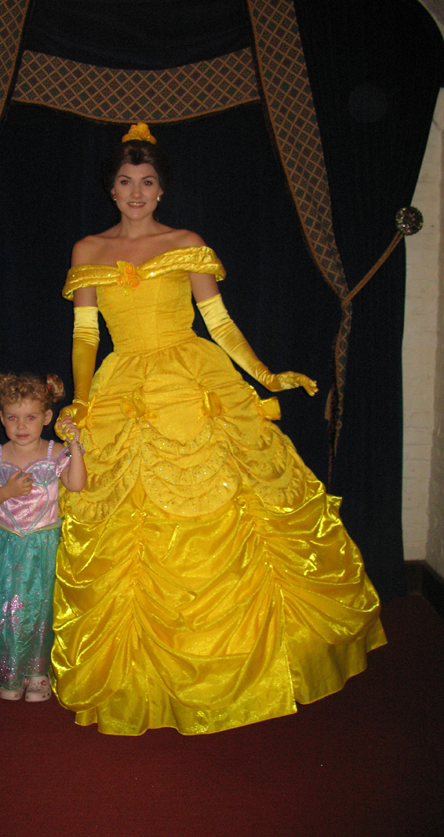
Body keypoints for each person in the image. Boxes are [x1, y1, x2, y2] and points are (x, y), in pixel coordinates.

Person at [52, 122, 386, 735]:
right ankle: (144, 677)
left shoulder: (186, 242)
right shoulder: (87, 250)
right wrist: (82, 401)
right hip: (125, 387)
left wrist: (265, 375)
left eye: (147, 181)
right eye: (125, 181)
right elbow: (85, 335)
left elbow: (220, 323)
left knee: (243, 501)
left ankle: (255, 661)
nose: (136, 192)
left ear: (162, 189)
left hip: (192, 377)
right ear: (111, 188)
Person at [0, 372, 86, 702]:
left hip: (44, 545)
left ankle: (38, 671)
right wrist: (6, 491)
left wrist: (75, 446)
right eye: (12, 418)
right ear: (1, 418)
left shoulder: (55, 453)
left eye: (30, 417)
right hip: (4, 545)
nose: (21, 425)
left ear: (46, 417)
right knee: (7, 606)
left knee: (40, 608)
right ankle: (10, 668)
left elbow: (77, 484)